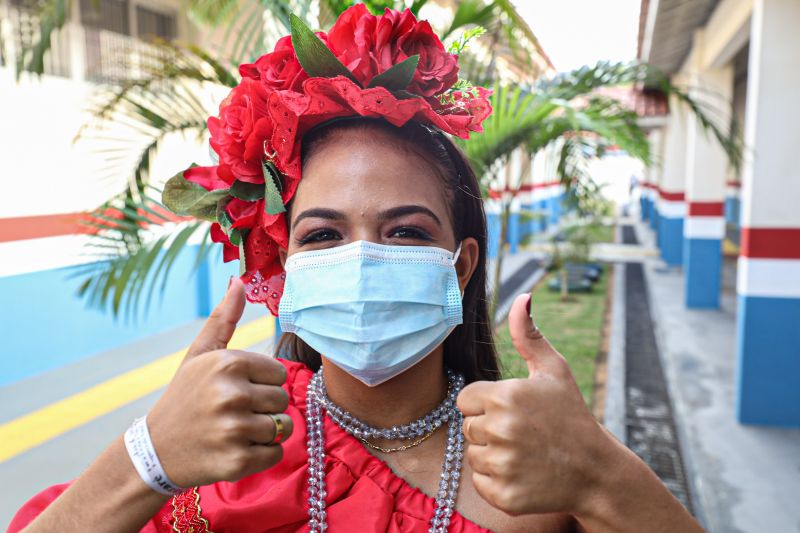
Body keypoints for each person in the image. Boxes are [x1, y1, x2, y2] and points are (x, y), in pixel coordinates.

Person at [9, 6, 704, 533]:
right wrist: (148, 457)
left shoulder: (542, 466)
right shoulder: (212, 453)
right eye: (323, 234)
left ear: (461, 264)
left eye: (406, 231)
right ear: (285, 265)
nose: (364, 259)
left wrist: (604, 477)